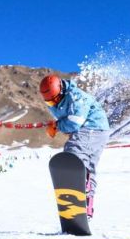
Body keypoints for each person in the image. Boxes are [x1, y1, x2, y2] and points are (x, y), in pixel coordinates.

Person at [40, 74, 110, 218]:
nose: (53, 104)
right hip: (97, 132)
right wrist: (56, 125)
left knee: (74, 150)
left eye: (55, 100)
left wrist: (58, 125)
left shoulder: (76, 97)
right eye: (49, 103)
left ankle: (79, 183)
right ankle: (87, 206)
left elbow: (74, 122)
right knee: (89, 168)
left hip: (93, 128)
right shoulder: (56, 101)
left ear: (61, 91)